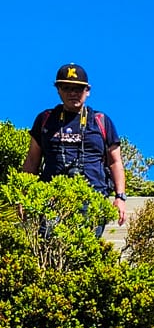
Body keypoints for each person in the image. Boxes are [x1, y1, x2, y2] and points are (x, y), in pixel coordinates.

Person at [24, 64, 127, 224]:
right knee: (49, 243)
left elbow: (115, 161)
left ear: (88, 91)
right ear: (58, 90)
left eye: (78, 89)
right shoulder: (45, 119)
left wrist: (120, 197)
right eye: (66, 88)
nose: (73, 93)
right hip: (51, 197)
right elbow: (32, 160)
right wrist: (24, 195)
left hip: (93, 197)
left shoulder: (100, 121)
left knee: (85, 244)